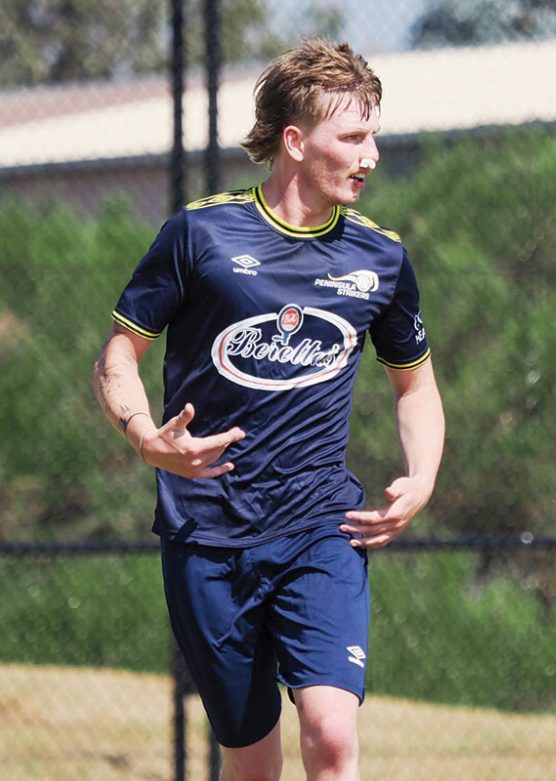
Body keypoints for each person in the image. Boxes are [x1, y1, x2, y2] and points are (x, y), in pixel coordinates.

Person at [91, 38, 445, 779]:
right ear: (294, 140)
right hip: (207, 534)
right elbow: (117, 355)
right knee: (252, 761)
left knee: (331, 736)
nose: (371, 154)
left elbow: (415, 386)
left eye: (373, 134)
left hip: (323, 526)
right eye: (353, 136)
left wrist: (423, 476)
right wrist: (145, 438)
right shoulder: (200, 235)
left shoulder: (381, 259)